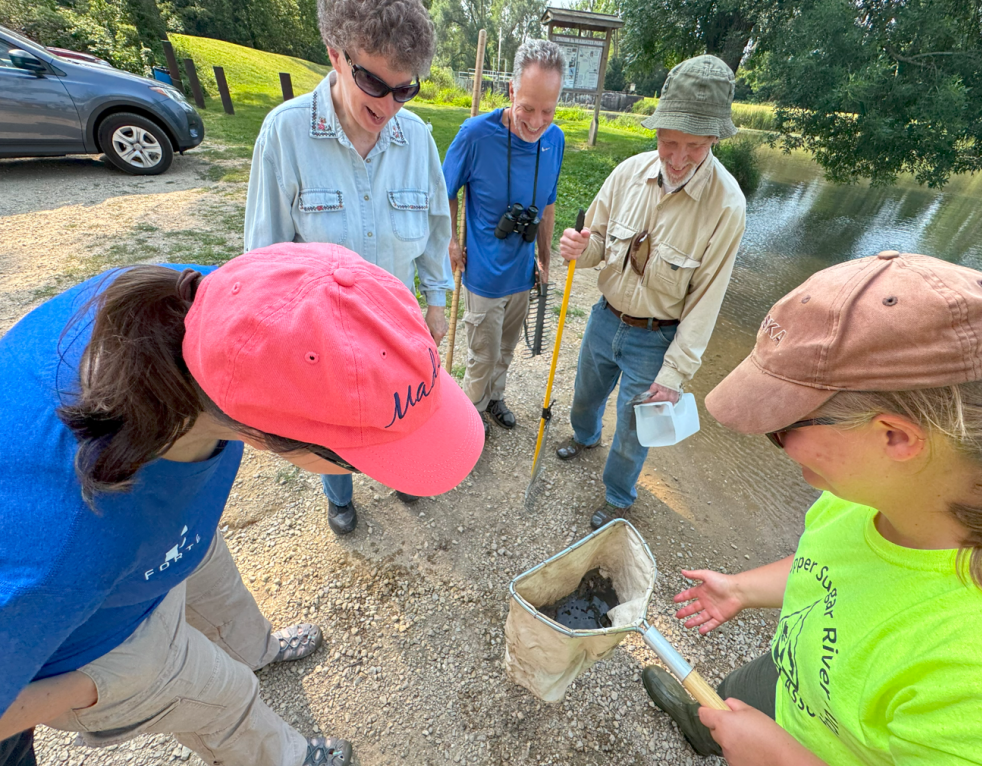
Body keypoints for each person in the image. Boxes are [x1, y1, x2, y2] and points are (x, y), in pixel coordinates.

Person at [0, 243, 484, 766]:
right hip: (93, 641)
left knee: (217, 581)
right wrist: (93, 685)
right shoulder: (59, 546)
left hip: (159, 536)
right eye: (365, 458)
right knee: (223, 697)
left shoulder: (211, 306)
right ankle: (289, 757)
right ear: (269, 436)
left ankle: (259, 649)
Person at [642, 252, 982, 765]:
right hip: (793, 675)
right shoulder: (861, 495)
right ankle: (698, 723)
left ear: (895, 436)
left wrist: (780, 758)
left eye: (784, 431)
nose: (774, 444)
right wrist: (741, 589)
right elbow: (832, 569)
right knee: (738, 694)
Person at [244, 0, 452, 536]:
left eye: (405, 89)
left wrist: (436, 300)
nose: (388, 105)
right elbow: (263, 257)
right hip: (323, 338)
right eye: (374, 83)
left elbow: (434, 229)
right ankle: (339, 492)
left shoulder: (420, 141)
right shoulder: (284, 134)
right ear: (335, 55)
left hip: (398, 326)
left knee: (403, 415)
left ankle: (405, 473)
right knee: (333, 430)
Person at [557, 55, 746, 529]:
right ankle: (583, 438)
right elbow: (597, 243)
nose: (679, 158)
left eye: (695, 147)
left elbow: (707, 300)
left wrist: (675, 373)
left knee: (634, 430)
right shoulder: (627, 173)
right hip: (604, 318)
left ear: (715, 139)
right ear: (657, 133)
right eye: (669, 142)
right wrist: (581, 246)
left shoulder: (727, 206)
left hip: (657, 339)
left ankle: (618, 496)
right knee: (585, 396)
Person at [443, 39, 565, 437]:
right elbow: (444, 190)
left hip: (520, 275)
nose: (536, 121)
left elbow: (547, 205)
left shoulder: (555, 140)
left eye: (547, 111)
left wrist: (544, 259)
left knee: (506, 351)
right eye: (527, 108)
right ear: (511, 90)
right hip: (484, 275)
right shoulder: (475, 135)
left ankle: (495, 398)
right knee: (481, 354)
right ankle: (470, 420)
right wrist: (450, 240)